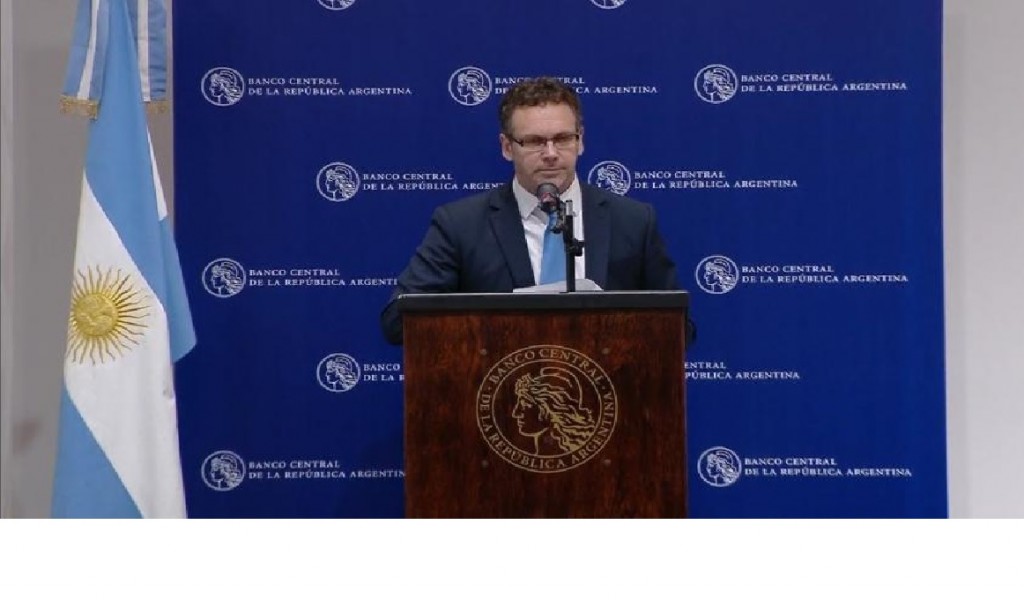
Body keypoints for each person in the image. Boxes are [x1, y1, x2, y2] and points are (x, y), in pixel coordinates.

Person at [381, 76, 689, 345]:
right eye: (534, 141)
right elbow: (398, 322)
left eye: (563, 139)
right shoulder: (461, 225)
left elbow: (680, 329)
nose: (551, 153)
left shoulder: (633, 220)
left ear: (581, 141)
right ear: (507, 147)